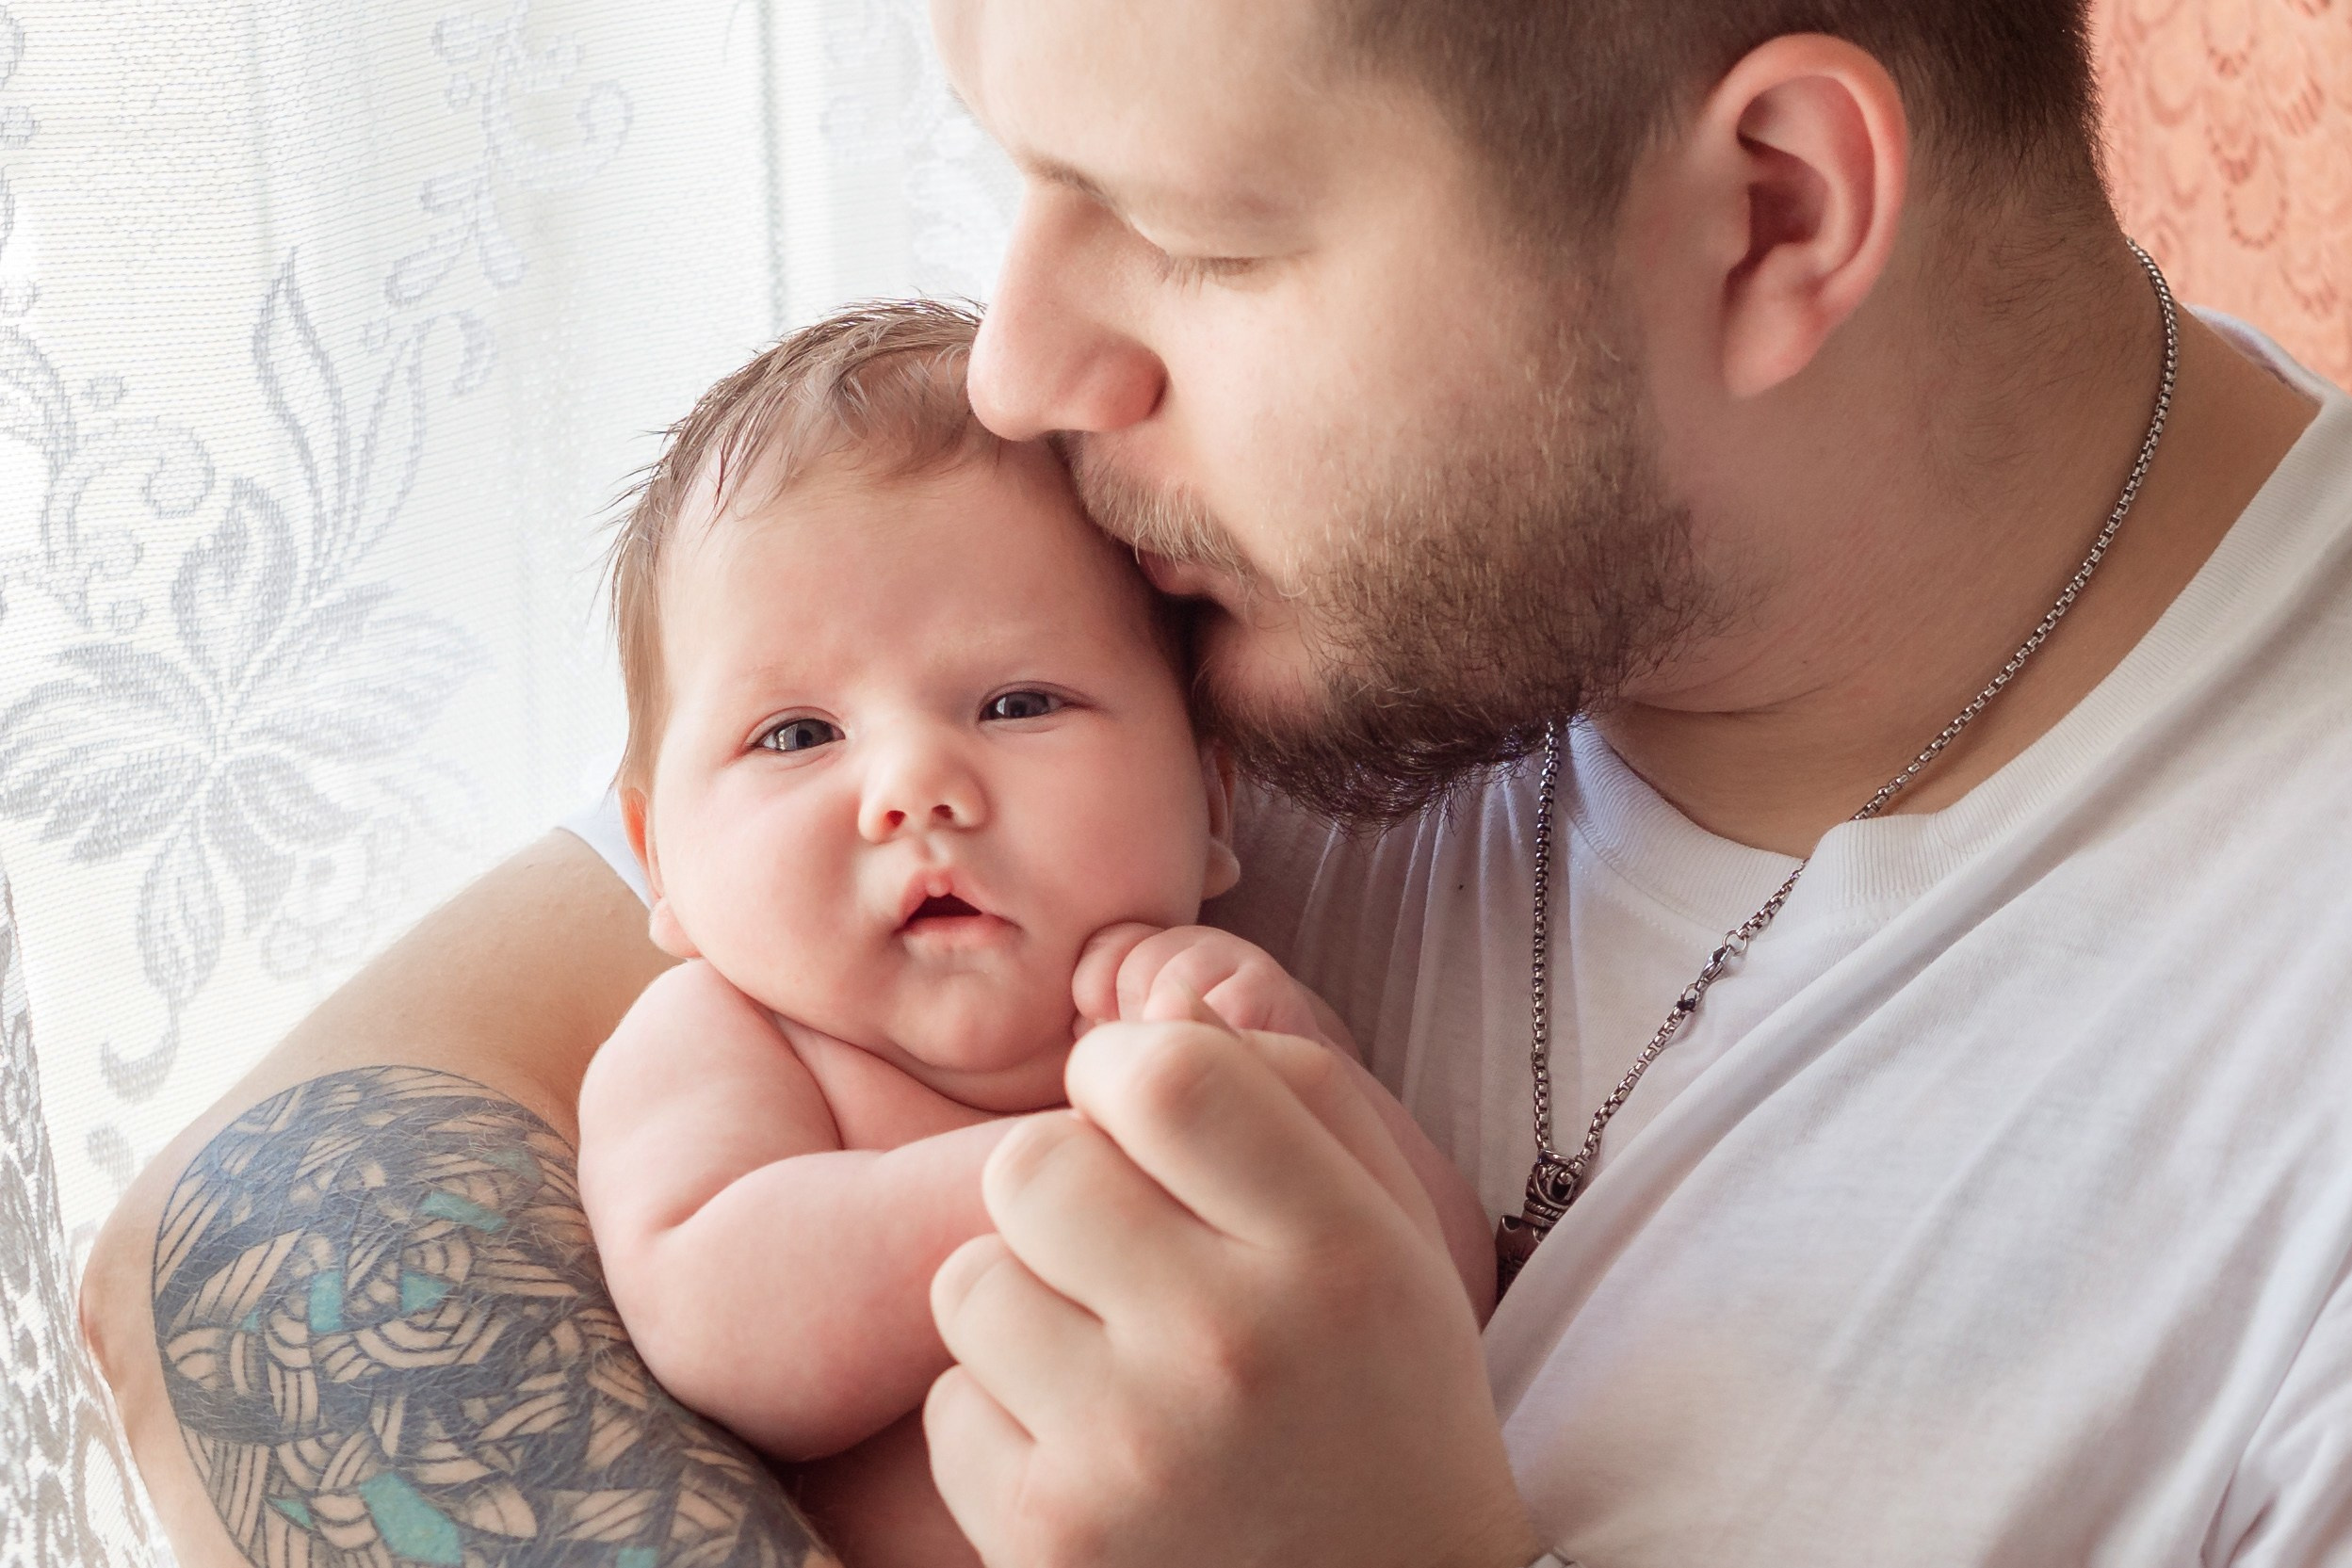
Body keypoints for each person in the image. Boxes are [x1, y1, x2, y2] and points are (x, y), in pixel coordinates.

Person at [81, 0, 2352, 1565]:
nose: (1021, 368)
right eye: (1015, 176)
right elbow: (235, 1244)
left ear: (1768, 210)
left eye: (1192, 232)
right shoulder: (1173, 589)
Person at [576, 301, 1492, 1568]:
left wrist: (1304, 1076)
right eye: (797, 734)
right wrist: (1076, 1174)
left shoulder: (1197, 1015)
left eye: (1017, 704)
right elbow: (718, 1315)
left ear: (1213, 801)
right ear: (658, 856)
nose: (915, 787)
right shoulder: (725, 1034)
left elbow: (1449, 1294)